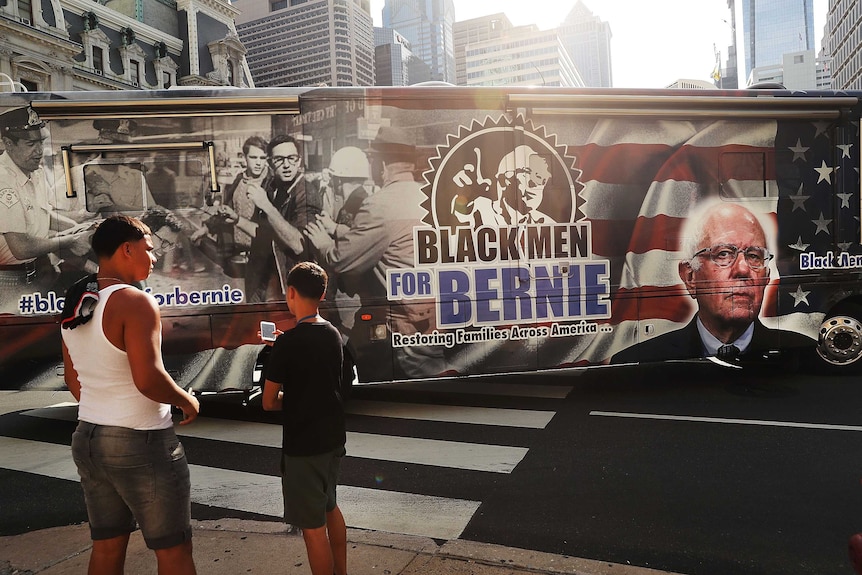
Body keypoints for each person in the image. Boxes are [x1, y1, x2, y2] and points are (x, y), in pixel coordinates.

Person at [60, 215, 200, 575]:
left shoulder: (77, 301)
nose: (154, 258)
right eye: (149, 250)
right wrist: (186, 399)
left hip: (89, 437)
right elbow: (148, 378)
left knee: (106, 548)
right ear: (127, 249)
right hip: (142, 440)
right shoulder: (135, 302)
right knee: (174, 551)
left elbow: (75, 383)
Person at [306, 126, 446, 379]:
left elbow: (342, 261)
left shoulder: (380, 203)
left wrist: (322, 242)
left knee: (418, 384)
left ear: (381, 164)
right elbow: (387, 236)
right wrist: (337, 228)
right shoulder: (427, 194)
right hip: (433, 313)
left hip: (405, 323)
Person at [612, 202, 814, 364]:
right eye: (723, 254)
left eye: (754, 256)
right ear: (690, 277)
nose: (743, 269)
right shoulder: (637, 359)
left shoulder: (802, 353)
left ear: (766, 277)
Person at [261, 261, 347, 575]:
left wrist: (278, 353)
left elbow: (269, 402)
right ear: (322, 294)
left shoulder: (287, 343)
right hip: (333, 438)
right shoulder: (333, 333)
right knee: (330, 506)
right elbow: (324, 384)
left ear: (291, 293)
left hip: (304, 446)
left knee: (312, 529)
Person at [0, 105, 92, 292]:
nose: (39, 150)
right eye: (30, 144)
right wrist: (71, 240)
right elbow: (21, 247)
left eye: (41, 142)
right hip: (8, 280)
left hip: (38, 270)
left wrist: (77, 228)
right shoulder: (3, 180)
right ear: (8, 144)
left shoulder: (35, 171)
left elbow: (44, 214)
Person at [241, 134, 321, 302]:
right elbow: (261, 232)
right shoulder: (269, 186)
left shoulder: (307, 193)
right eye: (279, 159)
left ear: (299, 161)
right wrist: (234, 219)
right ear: (270, 163)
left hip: (288, 286)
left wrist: (267, 206)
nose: (286, 165)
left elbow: (299, 246)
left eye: (292, 158)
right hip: (260, 279)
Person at [221, 135, 269, 252]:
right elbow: (228, 208)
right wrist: (206, 228)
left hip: (260, 252)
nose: (258, 163)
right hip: (236, 249)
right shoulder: (239, 179)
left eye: (262, 158)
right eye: (253, 157)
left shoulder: (270, 183)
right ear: (244, 158)